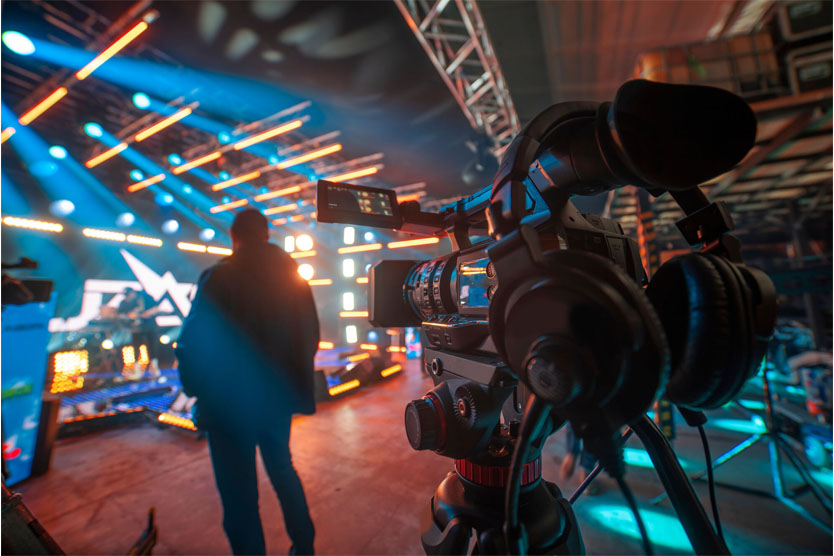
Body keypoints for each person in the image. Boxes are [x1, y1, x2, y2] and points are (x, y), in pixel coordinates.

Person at [176, 209, 319, 555]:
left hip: (227, 407)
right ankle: (304, 548)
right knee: (283, 471)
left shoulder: (218, 277)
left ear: (234, 237)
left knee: (239, 498)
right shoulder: (294, 278)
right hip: (277, 401)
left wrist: (197, 390)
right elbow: (310, 336)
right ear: (266, 235)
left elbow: (192, 342)